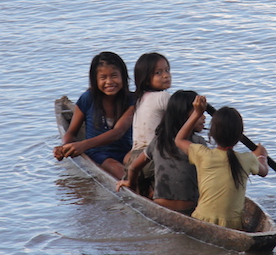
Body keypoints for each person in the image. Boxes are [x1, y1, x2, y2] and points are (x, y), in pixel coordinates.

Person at [174, 95, 267, 229]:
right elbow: (264, 171)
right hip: (233, 226)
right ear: (239, 135)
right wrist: (262, 155)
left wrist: (197, 113)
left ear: (211, 134)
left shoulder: (202, 154)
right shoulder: (248, 159)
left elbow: (179, 139)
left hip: (201, 219)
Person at [117, 89, 205, 214]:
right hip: (189, 208)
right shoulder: (197, 142)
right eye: (199, 113)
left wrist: (131, 184)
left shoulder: (158, 141)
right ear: (184, 116)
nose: (204, 117)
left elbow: (133, 168)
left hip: (160, 207)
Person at [54, 51, 135, 179]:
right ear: (95, 80)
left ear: (123, 77)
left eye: (114, 76)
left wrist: (83, 145)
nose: (109, 82)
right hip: (98, 153)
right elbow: (72, 132)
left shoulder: (132, 100)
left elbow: (118, 131)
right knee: (123, 174)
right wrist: (64, 147)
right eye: (103, 78)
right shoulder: (88, 99)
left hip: (125, 151)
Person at [125, 52, 172, 195]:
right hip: (152, 159)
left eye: (167, 70)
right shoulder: (163, 97)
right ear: (145, 79)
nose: (166, 75)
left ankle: (149, 191)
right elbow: (184, 121)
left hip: (135, 159)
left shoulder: (140, 99)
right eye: (158, 73)